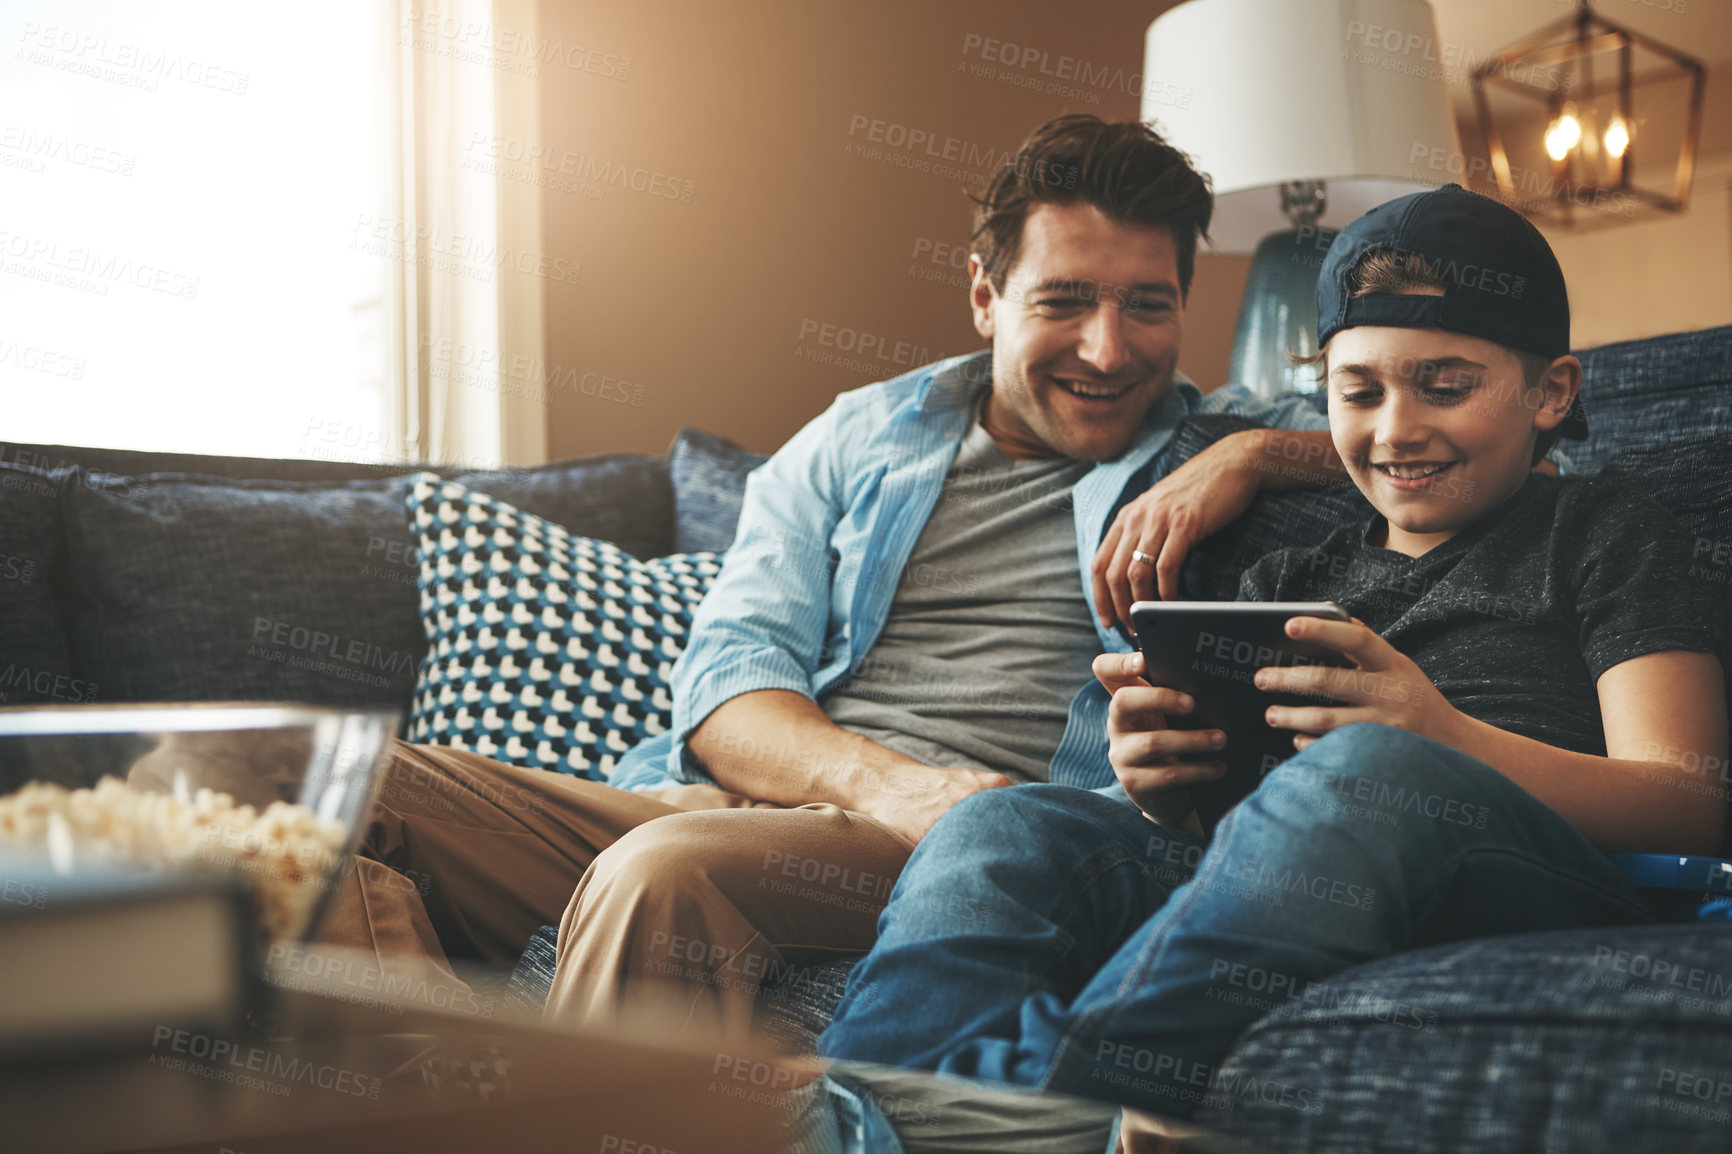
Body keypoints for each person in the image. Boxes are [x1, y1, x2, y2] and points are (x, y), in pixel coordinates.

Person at [315, 114, 1351, 1036]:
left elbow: (1481, 451)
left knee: (664, 874)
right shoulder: (865, 432)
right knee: (339, 790)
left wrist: (1251, 454)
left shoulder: (1223, 444)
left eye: (1147, 306)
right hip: (764, 798)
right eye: (1065, 300)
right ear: (986, 296)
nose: (1107, 347)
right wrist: (887, 781)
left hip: (979, 844)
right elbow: (725, 680)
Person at [816, 183, 1730, 1119]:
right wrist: (1164, 781)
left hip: (1532, 869)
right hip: (1301, 880)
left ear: (1551, 392)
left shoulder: (1606, 532)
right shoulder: (1289, 577)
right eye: (1358, 392)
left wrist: (1446, 737)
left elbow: (1693, 801)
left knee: (1369, 770)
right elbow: (1231, 828)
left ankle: (1035, 1114)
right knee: (1003, 827)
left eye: (1446, 386)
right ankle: (868, 1115)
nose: (1396, 428)